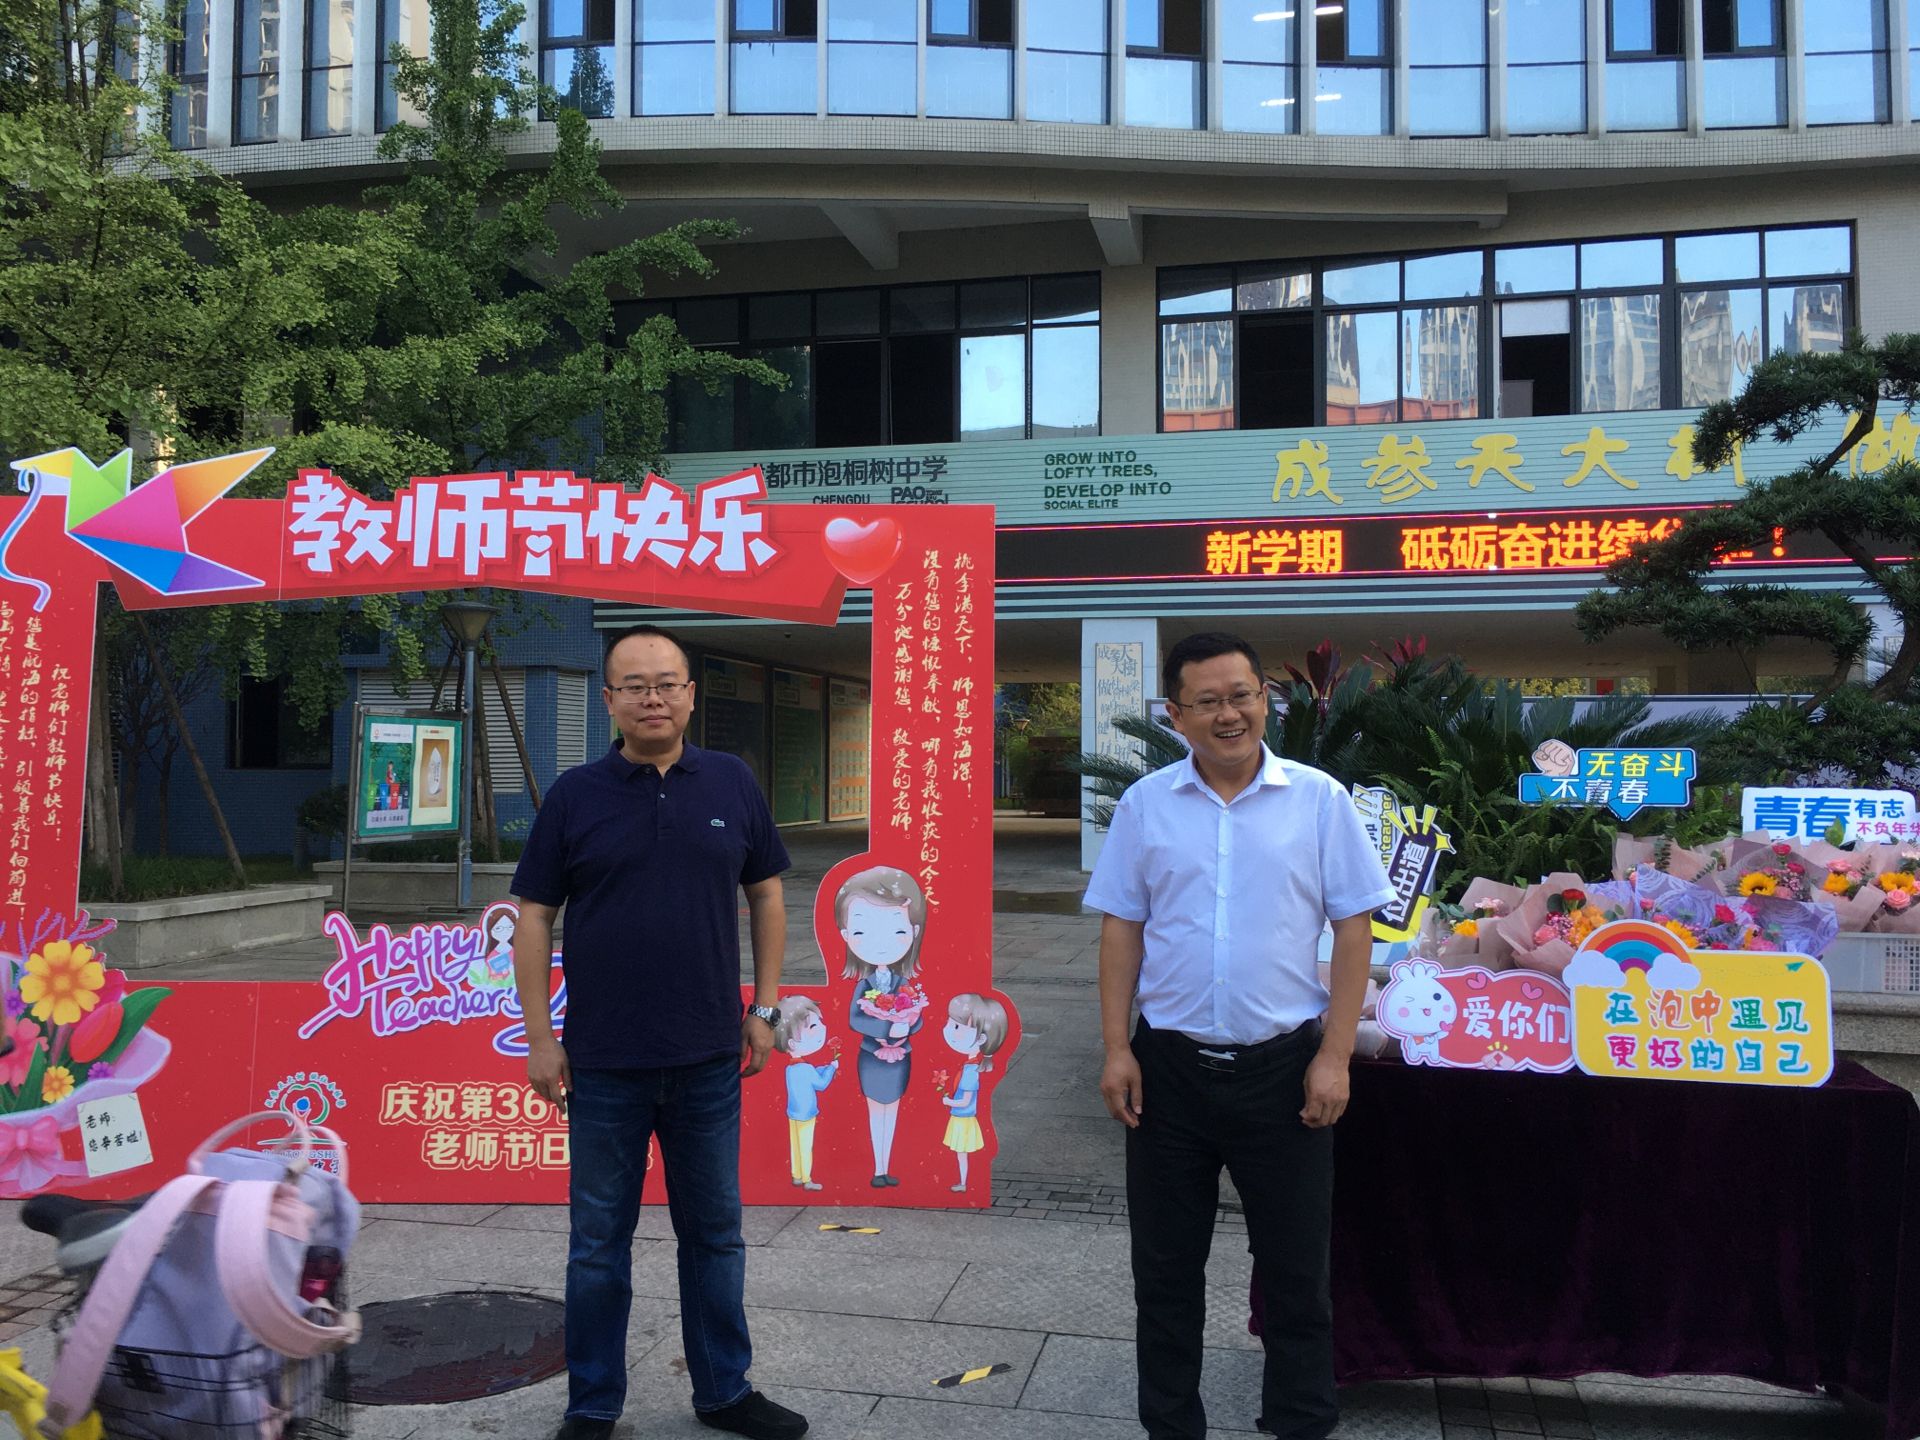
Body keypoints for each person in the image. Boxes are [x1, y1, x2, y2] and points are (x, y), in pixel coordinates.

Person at [1083, 631, 1394, 1440]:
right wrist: (1117, 1048)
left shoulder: (1318, 800)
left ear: (1266, 700)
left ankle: (1300, 1421)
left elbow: (1353, 927)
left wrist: (1334, 1056)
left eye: (1243, 696)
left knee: (1296, 1274)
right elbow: (1122, 928)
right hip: (1169, 1073)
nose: (1230, 714)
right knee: (1165, 1274)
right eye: (1209, 701)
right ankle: (1170, 1426)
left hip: (1285, 1073)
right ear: (1176, 714)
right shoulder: (1147, 804)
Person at [510, 623, 807, 1440]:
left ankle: (724, 1391)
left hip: (709, 1056)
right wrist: (540, 1037)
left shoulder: (731, 782)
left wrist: (766, 1008)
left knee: (714, 1236)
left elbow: (768, 895)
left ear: (690, 695)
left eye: (667, 683)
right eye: (635, 686)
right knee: (597, 1243)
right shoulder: (575, 795)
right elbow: (533, 917)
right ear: (608, 700)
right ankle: (592, 1403)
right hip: (603, 1062)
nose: (653, 698)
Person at [835, 865, 929, 1186]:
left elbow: (918, 1016)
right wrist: (888, 1029)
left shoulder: (904, 983)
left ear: (913, 931)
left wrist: (907, 1026)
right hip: (872, 1058)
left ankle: (888, 1167)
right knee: (875, 1111)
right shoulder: (865, 984)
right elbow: (855, 1018)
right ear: (846, 935)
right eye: (863, 932)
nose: (880, 943)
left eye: (896, 931)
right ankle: (878, 1168)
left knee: (895, 1109)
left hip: (900, 1058)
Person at [938, 992, 1008, 1193]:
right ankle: (963, 1181)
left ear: (981, 1038)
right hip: (961, 1118)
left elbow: (966, 1101)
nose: (947, 1030)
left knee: (962, 1153)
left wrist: (948, 1102)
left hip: (964, 1119)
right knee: (961, 1153)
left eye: (956, 1026)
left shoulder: (970, 1072)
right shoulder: (969, 1067)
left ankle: (963, 1182)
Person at [773, 996, 838, 1190]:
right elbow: (821, 1085)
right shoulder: (806, 1069)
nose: (822, 1028)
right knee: (805, 1145)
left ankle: (796, 1175)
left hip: (793, 1112)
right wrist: (831, 1069)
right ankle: (807, 1179)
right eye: (813, 1026)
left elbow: (806, 1078)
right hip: (806, 1114)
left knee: (795, 1145)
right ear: (792, 1044)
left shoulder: (791, 1068)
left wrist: (821, 1069)